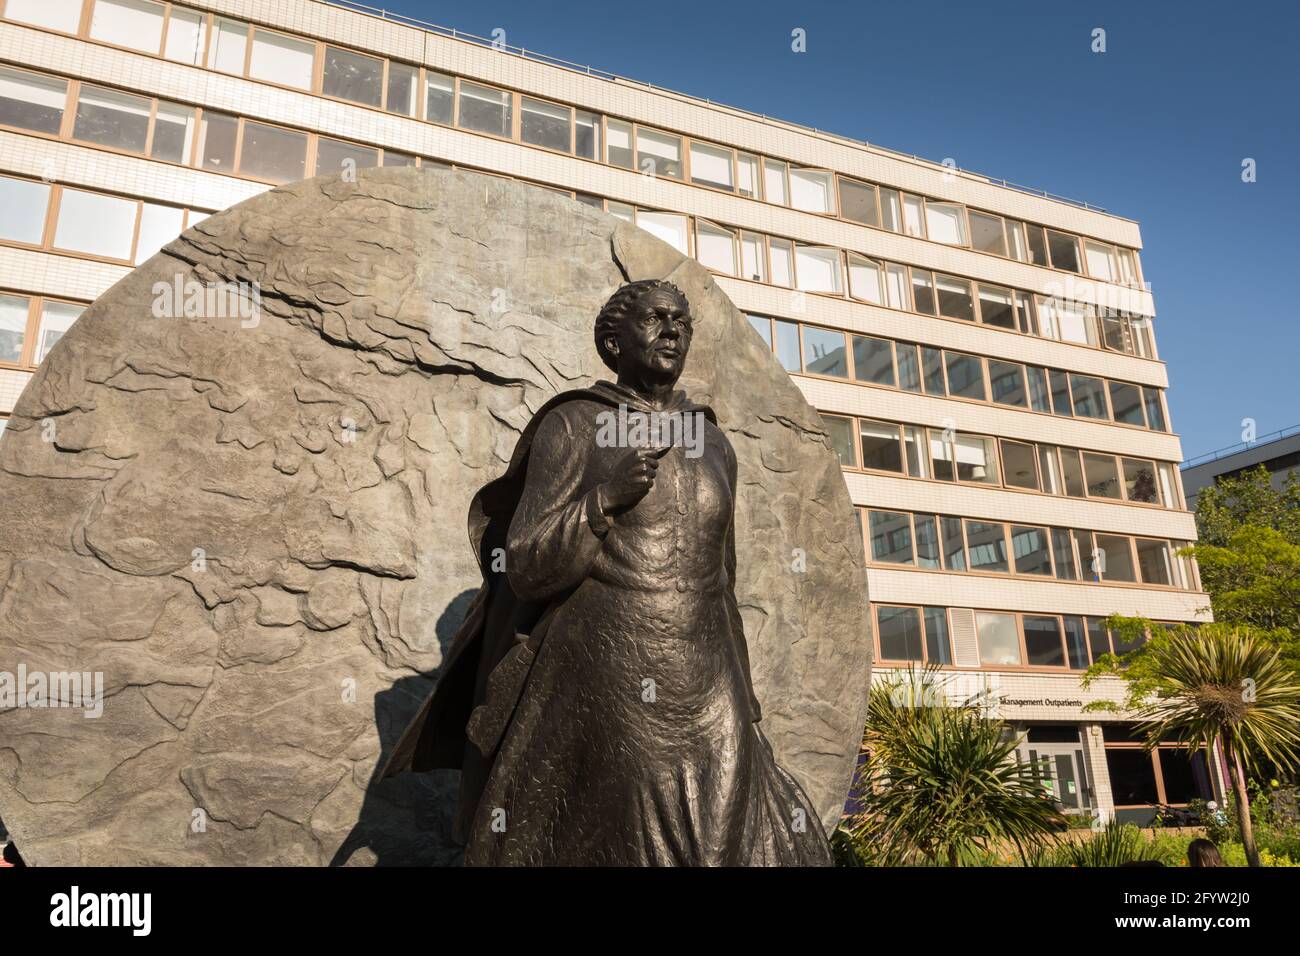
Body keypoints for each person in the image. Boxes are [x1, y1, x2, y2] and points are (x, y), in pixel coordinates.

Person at [383, 279, 831, 866]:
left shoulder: (712, 440)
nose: (673, 331)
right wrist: (602, 501)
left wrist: (742, 696)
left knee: (731, 839)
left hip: (708, 676)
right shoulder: (573, 424)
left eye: (682, 322)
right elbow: (526, 565)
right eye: (655, 320)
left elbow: (725, 578)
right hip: (611, 671)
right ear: (614, 343)